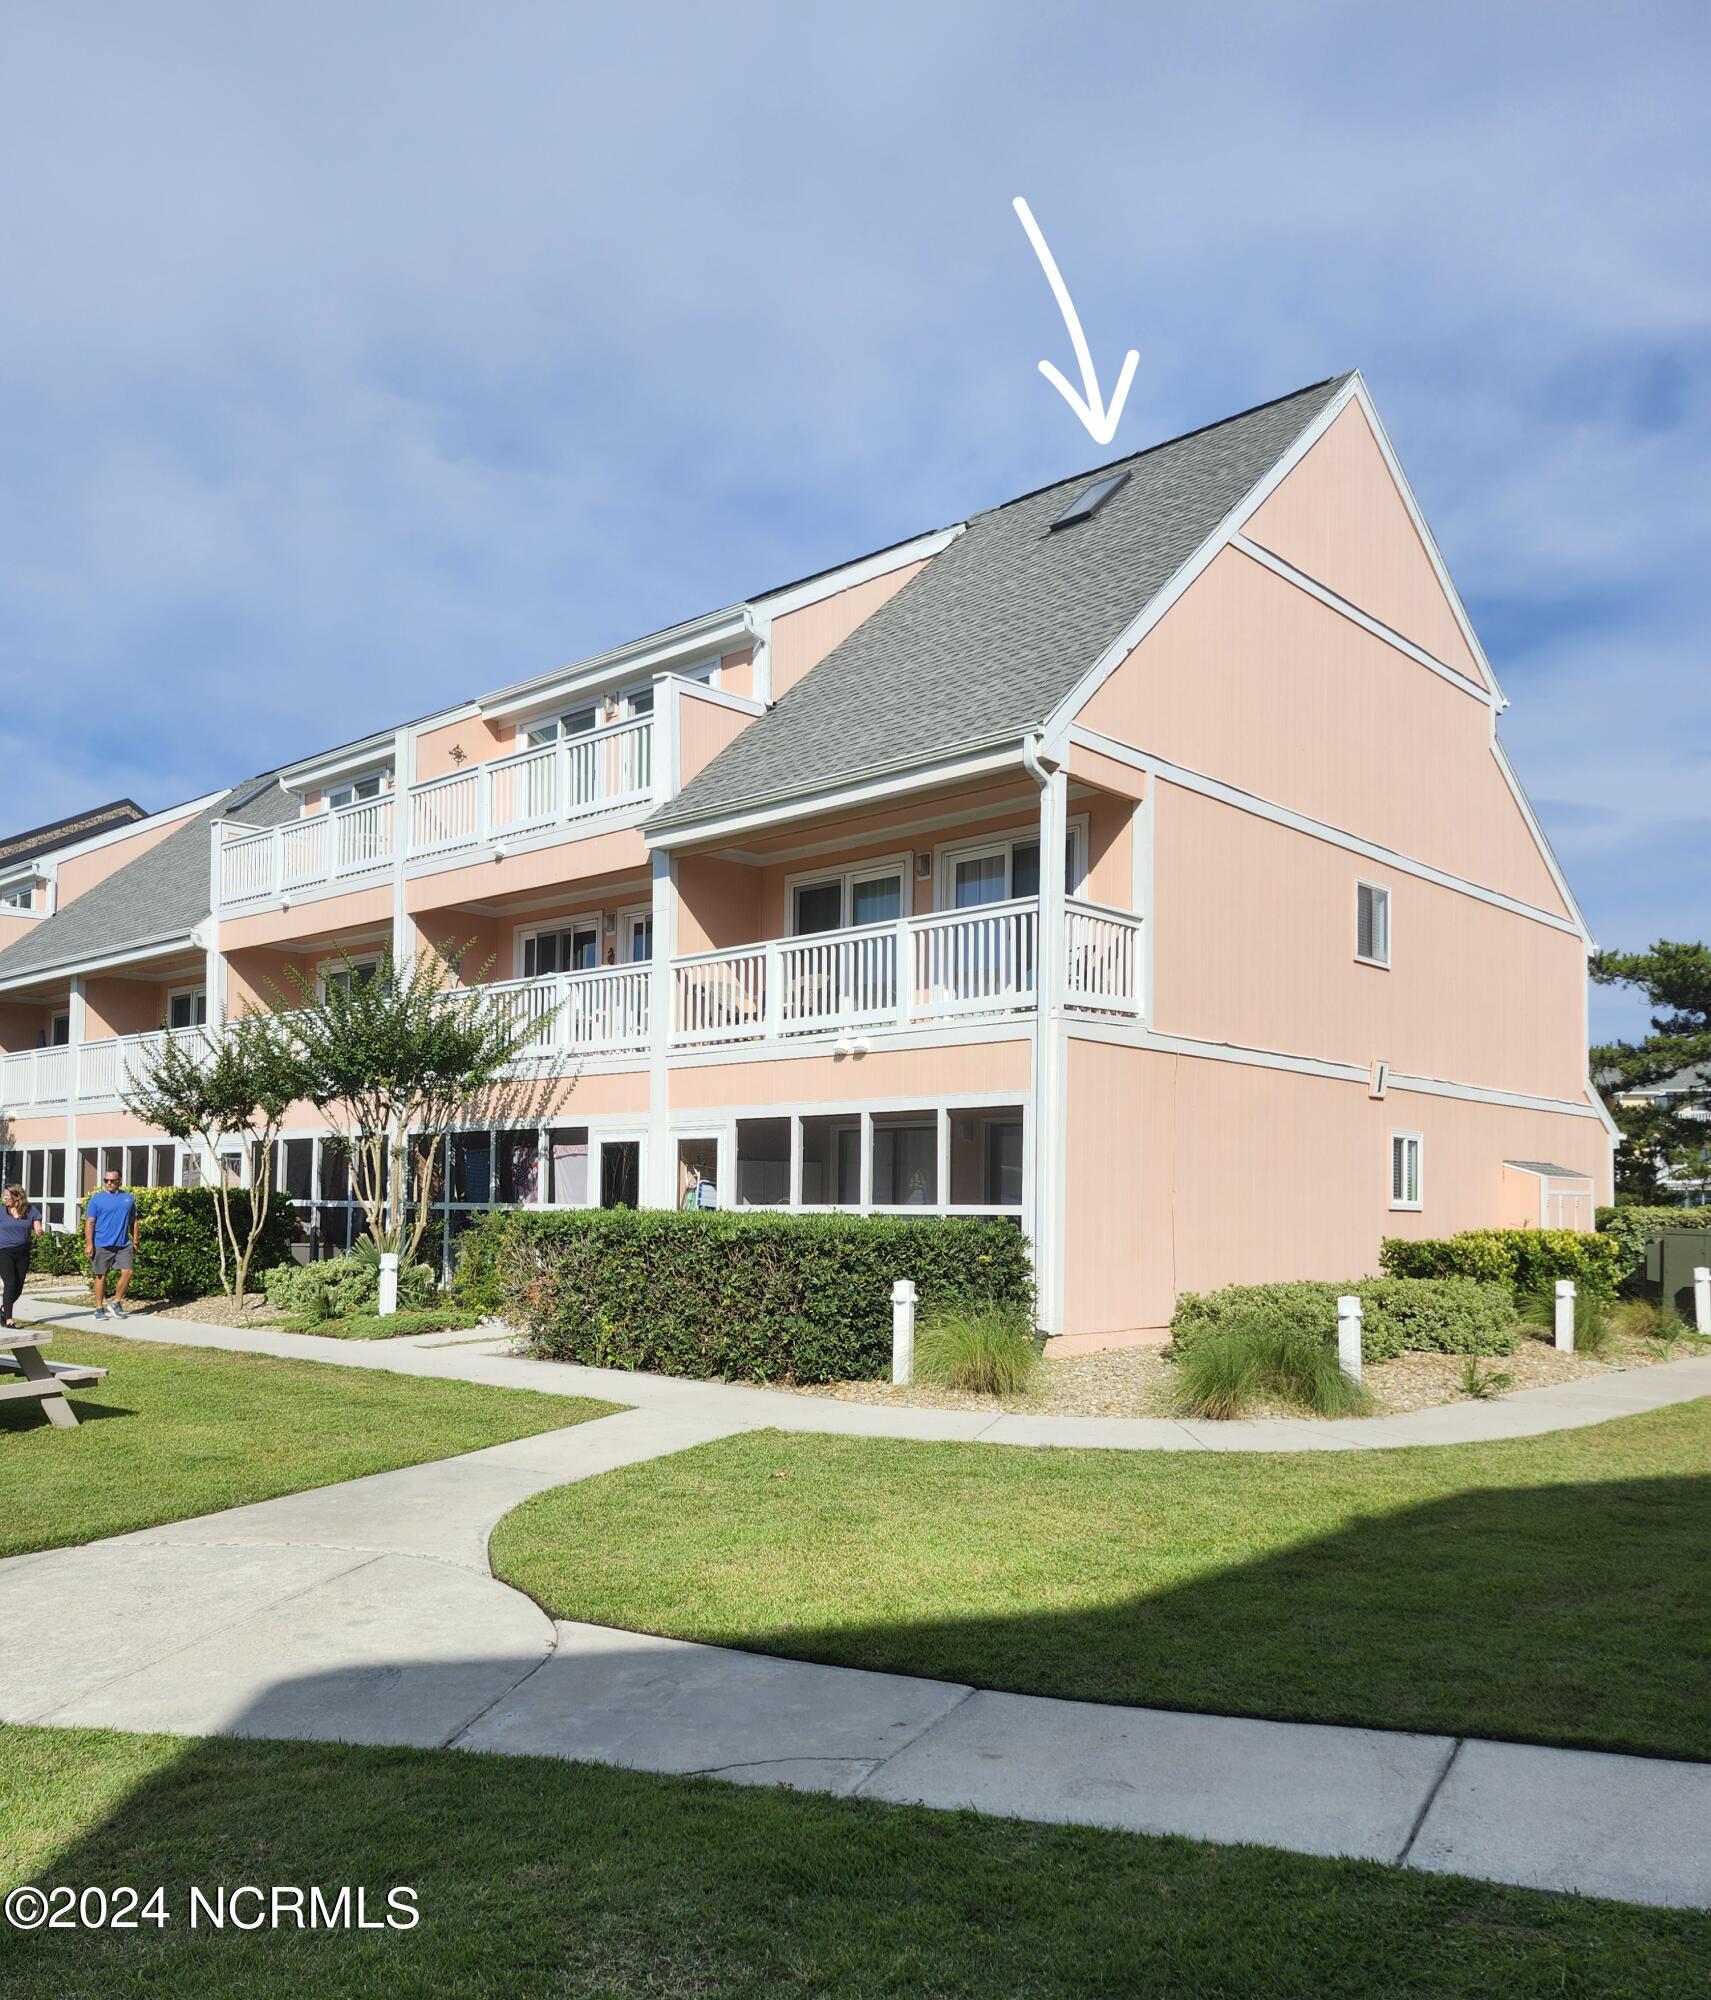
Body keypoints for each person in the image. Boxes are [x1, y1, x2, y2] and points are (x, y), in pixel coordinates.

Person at [85, 1168, 140, 1320]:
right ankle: (98, 1308)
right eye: (106, 1181)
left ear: (119, 1181)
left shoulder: (128, 1199)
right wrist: (89, 1244)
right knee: (101, 1276)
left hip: (123, 1244)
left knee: (127, 1272)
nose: (108, 1183)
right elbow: (90, 1222)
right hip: (102, 1244)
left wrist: (135, 1241)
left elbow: (134, 1221)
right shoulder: (96, 1200)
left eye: (112, 1181)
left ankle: (116, 1302)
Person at [0, 1183, 43, 1328]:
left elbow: (37, 1226)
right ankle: (9, 1319)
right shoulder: (1, 1211)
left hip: (23, 1252)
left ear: (17, 1196)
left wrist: (39, 1231)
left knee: (18, 1288)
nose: (4, 1197)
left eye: (7, 1195)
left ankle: (3, 1310)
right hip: (4, 1251)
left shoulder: (31, 1211)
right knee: (10, 1283)